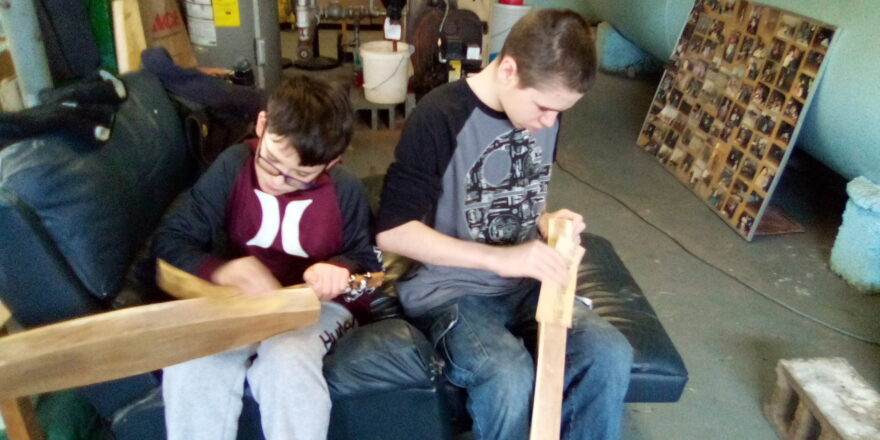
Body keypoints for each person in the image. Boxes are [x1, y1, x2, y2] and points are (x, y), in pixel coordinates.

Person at [375, 9, 633, 440]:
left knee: (609, 353)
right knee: (507, 373)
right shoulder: (440, 117)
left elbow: (523, 191)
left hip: (524, 284)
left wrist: (547, 223)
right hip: (452, 291)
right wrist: (504, 260)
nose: (550, 122)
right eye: (545, 108)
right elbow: (393, 231)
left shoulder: (541, 110)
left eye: (561, 111)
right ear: (509, 70)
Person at [153, 74, 382, 440]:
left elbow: (368, 266)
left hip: (314, 308)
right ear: (262, 125)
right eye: (271, 161)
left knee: (287, 361)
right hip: (243, 306)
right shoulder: (234, 166)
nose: (277, 181)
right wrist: (222, 271)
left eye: (300, 177)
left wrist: (340, 269)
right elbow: (171, 241)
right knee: (193, 362)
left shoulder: (345, 191)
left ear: (331, 163)